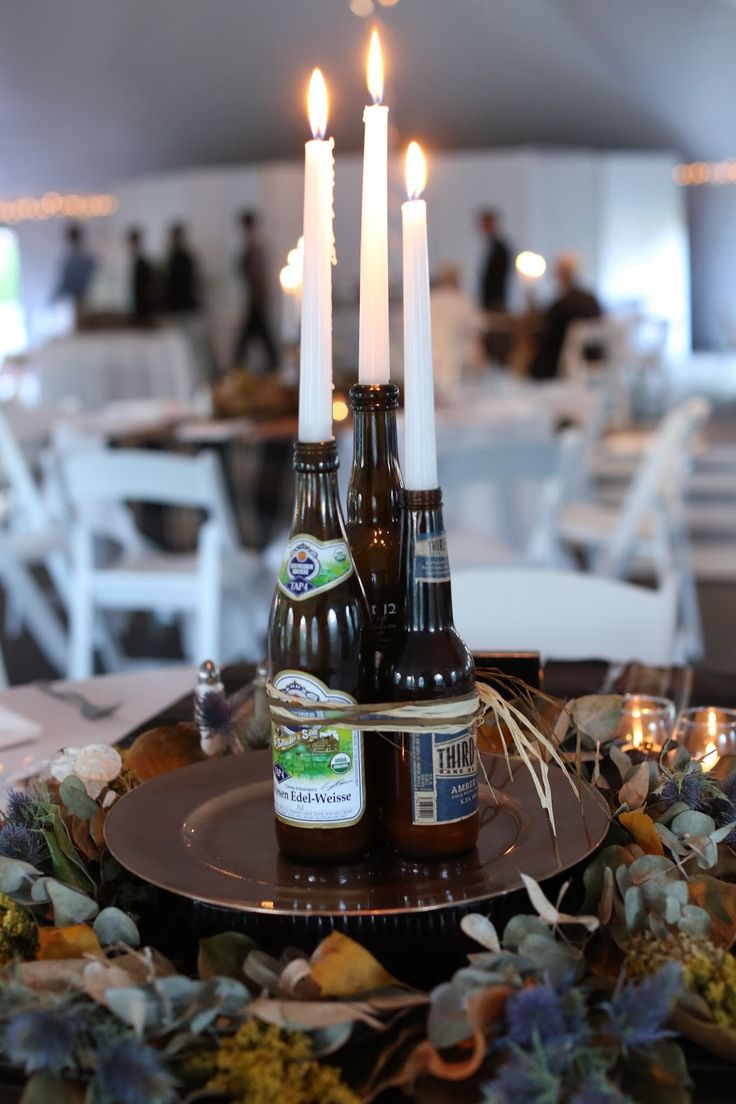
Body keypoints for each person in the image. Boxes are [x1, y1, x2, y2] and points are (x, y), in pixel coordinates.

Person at [531, 253, 602, 381]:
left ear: (561, 275)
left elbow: (549, 339)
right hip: (595, 357)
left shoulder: (561, 304)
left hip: (565, 362)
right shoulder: (591, 299)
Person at [233, 210, 279, 372]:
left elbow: (259, 278)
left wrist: (261, 297)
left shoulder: (254, 251)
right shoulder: (250, 251)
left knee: (251, 343)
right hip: (254, 302)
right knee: (258, 342)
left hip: (256, 303)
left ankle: (239, 370)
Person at [430, 265, 485, 396]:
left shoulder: (429, 299)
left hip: (428, 355)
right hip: (454, 357)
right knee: (452, 397)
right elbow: (476, 330)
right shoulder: (462, 301)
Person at [52, 223, 96, 327]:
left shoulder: (72, 260)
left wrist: (54, 299)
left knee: (78, 328)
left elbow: (64, 282)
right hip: (82, 299)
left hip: (76, 300)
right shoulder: (87, 258)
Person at [163, 223, 200, 315]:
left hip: (181, 304)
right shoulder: (177, 257)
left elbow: (184, 283)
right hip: (179, 304)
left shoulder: (182, 257)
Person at [478, 209, 510, 312]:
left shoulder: (501, 249)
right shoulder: (491, 247)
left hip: (496, 302)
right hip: (489, 301)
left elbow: (498, 278)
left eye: (487, 225)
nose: (484, 228)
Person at [126, 227, 157, 323]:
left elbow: (146, 288)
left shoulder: (142, 262)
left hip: (143, 307)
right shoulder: (138, 261)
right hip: (139, 305)